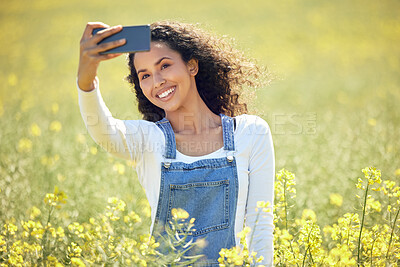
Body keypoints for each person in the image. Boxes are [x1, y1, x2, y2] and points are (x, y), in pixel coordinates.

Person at [77, 21, 275, 266]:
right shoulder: (148, 140)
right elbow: (103, 130)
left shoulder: (250, 132)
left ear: (192, 65)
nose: (157, 81)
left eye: (165, 66)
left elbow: (260, 225)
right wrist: (86, 79)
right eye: (145, 75)